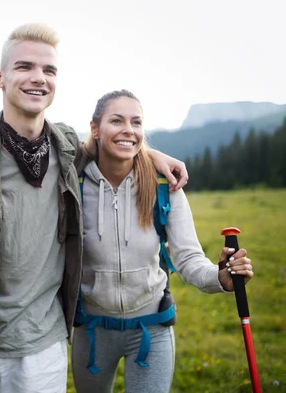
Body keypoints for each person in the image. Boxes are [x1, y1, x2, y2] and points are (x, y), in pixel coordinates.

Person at [0, 24, 189, 393]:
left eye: (49, 70)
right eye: (25, 67)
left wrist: (152, 154)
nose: (39, 78)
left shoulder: (66, 146)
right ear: (0, 77)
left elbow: (114, 142)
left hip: (43, 343)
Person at [71, 89, 255, 393]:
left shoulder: (163, 188)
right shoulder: (72, 184)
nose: (128, 130)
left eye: (136, 122)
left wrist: (220, 277)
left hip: (151, 330)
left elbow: (188, 259)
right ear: (95, 128)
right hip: (92, 333)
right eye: (116, 120)